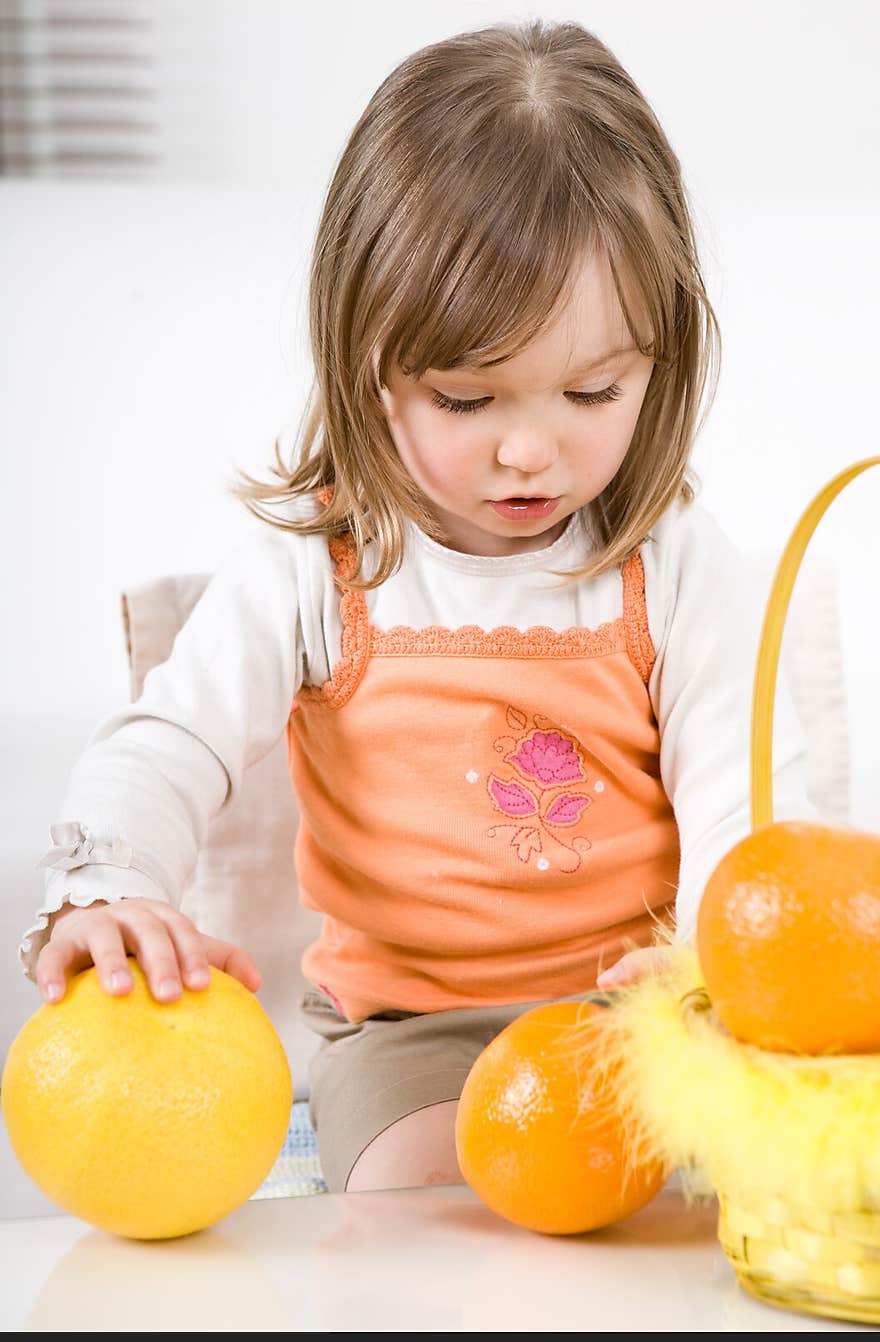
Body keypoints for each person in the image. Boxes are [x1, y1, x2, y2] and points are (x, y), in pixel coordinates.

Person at [17, 20, 817, 1194]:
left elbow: (747, 802)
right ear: (365, 363)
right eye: (465, 396)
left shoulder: (680, 567)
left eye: (593, 389)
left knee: (696, 1206)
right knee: (426, 1209)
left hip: (640, 1015)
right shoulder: (318, 571)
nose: (529, 447)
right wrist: (114, 884)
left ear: (665, 361)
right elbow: (167, 742)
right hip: (410, 1033)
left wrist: (708, 969)